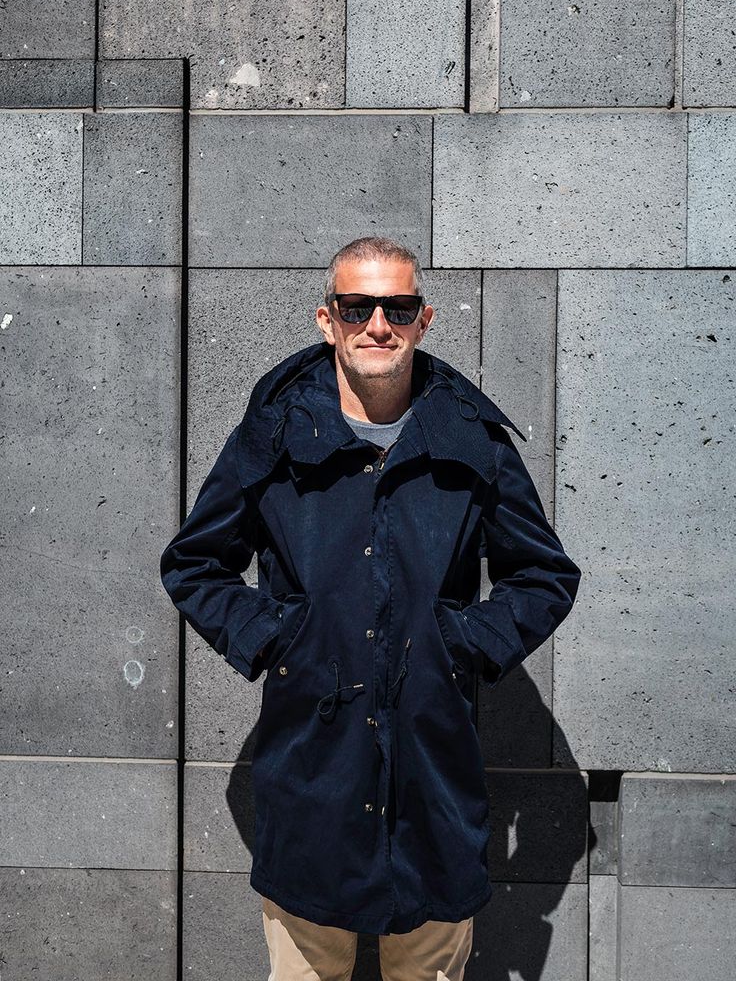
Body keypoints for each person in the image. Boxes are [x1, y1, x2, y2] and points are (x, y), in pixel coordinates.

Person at [160, 236, 581, 980]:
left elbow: (543, 575)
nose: (377, 325)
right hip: (312, 779)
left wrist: (462, 645)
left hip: (434, 786)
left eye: (398, 306)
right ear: (328, 319)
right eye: (358, 307)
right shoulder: (276, 434)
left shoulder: (470, 440)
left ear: (425, 320)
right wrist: (277, 637)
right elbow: (194, 562)